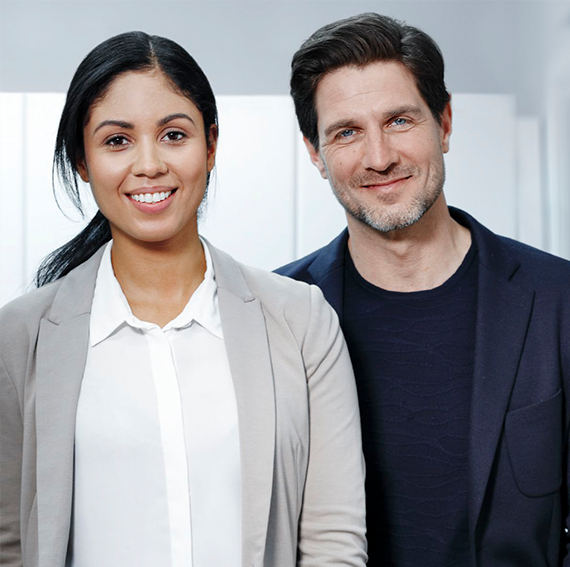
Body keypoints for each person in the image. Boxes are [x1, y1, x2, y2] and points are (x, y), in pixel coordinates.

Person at [0, 32, 367, 567]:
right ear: (82, 159)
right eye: (117, 141)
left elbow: (333, 543)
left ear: (211, 145)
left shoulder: (301, 322)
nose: (148, 165)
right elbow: (8, 541)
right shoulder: (18, 339)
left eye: (174, 134)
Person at [277, 12, 570, 566]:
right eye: (346, 132)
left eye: (400, 121)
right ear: (315, 154)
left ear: (446, 122)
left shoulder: (559, 301)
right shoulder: (275, 316)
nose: (379, 156)